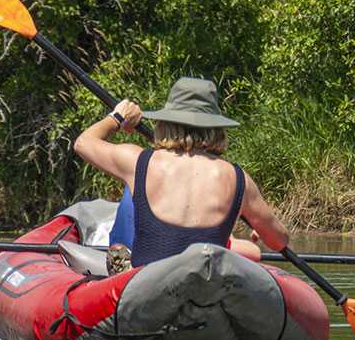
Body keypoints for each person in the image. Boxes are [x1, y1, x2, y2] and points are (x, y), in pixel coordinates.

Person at [72, 76, 289, 273]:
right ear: (216, 126)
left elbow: (83, 143)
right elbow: (279, 241)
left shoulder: (139, 162)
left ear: (164, 122)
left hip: (145, 293)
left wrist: (118, 117)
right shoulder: (237, 178)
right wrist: (263, 230)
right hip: (206, 297)